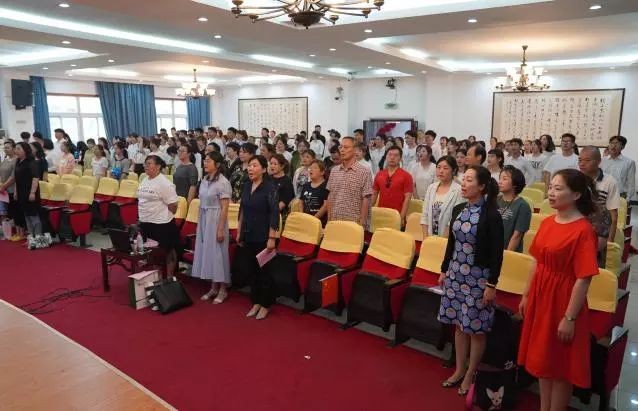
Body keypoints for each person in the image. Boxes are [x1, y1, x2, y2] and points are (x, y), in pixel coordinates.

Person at [518, 169, 599, 411]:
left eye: (558, 188)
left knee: (561, 366)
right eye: (551, 187)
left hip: (564, 301)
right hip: (541, 296)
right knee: (544, 361)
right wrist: (526, 294)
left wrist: (570, 317)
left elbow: (583, 279)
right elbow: (536, 261)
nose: (551, 193)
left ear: (576, 194)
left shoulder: (583, 230)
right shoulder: (547, 222)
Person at [439, 165, 504, 395]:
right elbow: (451, 243)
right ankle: (459, 369)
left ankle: (471, 373)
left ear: (482, 186)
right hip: (456, 274)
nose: (463, 184)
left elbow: (497, 254)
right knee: (459, 325)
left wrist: (491, 284)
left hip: (478, 279)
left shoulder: (492, 215)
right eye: (463, 179)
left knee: (475, 329)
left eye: (469, 180)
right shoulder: (459, 209)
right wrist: (444, 269)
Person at [237, 155, 280, 321]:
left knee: (265, 272)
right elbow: (242, 210)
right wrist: (239, 232)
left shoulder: (270, 188)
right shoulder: (247, 186)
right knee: (252, 271)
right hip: (248, 234)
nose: (250, 168)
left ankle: (265, 304)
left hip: (264, 236)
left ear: (263, 169)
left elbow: (274, 214)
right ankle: (255, 301)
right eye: (249, 165)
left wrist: (272, 237)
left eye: (254, 165)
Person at [192, 152, 232, 304]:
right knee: (208, 252)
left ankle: (223, 289)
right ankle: (213, 287)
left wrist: (220, 228)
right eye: (204, 161)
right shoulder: (204, 180)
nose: (205, 163)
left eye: (208, 161)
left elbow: (225, 208)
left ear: (217, 164)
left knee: (218, 254)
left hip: (216, 219)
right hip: (204, 218)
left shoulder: (223, 182)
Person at [137, 155, 180, 276]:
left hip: (162, 224)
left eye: (149, 164)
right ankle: (155, 275)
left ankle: (170, 277)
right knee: (151, 251)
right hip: (146, 221)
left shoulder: (164, 183)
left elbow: (173, 205)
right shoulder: (145, 179)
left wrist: (162, 214)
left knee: (168, 250)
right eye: (145, 163)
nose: (145, 166)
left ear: (158, 166)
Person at [580, 146, 620, 266]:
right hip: (578, 229)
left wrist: (609, 242)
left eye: (587, 160)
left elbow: (613, 215)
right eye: (580, 160)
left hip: (599, 233)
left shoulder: (609, 182)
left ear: (598, 161)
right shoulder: (575, 179)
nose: (582, 164)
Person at [327, 137, 373, 228]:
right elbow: (330, 195)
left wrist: (362, 223)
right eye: (341, 147)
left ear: (355, 150)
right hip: (335, 220)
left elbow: (366, 199)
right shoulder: (334, 171)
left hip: (354, 223)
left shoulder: (364, 171)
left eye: (346, 147)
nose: (342, 150)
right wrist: (329, 218)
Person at [421, 155, 463, 238]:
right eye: (438, 167)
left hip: (447, 238)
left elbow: (454, 220)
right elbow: (425, 215)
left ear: (454, 171)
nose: (441, 171)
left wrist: (441, 241)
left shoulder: (459, 190)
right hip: (430, 237)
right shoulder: (431, 187)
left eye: (445, 168)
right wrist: (425, 239)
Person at [372, 145, 413, 226]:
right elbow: (374, 194)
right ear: (386, 157)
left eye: (396, 155)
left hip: (396, 215)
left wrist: (401, 217)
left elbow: (407, 199)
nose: (392, 157)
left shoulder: (406, 176)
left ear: (400, 158)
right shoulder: (379, 174)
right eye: (390, 155)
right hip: (380, 214)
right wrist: (368, 212)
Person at [497, 166, 531, 252]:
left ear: (515, 183)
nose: (500, 182)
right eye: (500, 178)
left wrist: (507, 256)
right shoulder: (495, 200)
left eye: (504, 179)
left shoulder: (522, 206)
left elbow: (517, 236)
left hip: (508, 252)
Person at [602, 135, 635, 201]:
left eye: (617, 143)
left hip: (620, 195)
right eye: (611, 143)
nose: (613, 146)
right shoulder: (602, 160)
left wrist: (628, 199)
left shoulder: (629, 162)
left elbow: (631, 183)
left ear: (623, 147)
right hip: (603, 194)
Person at [299, 159, 329, 225]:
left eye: (315, 168)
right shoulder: (306, 185)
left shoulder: (326, 186)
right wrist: (302, 216)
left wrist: (313, 219)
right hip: (305, 220)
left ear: (322, 172)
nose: (311, 170)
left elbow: (325, 206)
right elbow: (301, 202)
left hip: (319, 222)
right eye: (310, 168)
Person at [269, 154, 295, 225]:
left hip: (278, 215)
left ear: (282, 166)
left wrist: (269, 213)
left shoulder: (287, 181)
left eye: (275, 164)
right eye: (271, 163)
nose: (272, 166)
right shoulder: (267, 179)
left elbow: (283, 203)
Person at [0, 140, 16, 238]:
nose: (5, 149)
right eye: (4, 148)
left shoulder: (16, 160)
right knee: (4, 211)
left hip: (12, 189)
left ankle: (17, 231)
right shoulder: (5, 160)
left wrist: (4, 186)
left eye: (8, 147)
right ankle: (6, 231)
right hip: (3, 190)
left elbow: (13, 176)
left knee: (13, 210)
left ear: (13, 148)